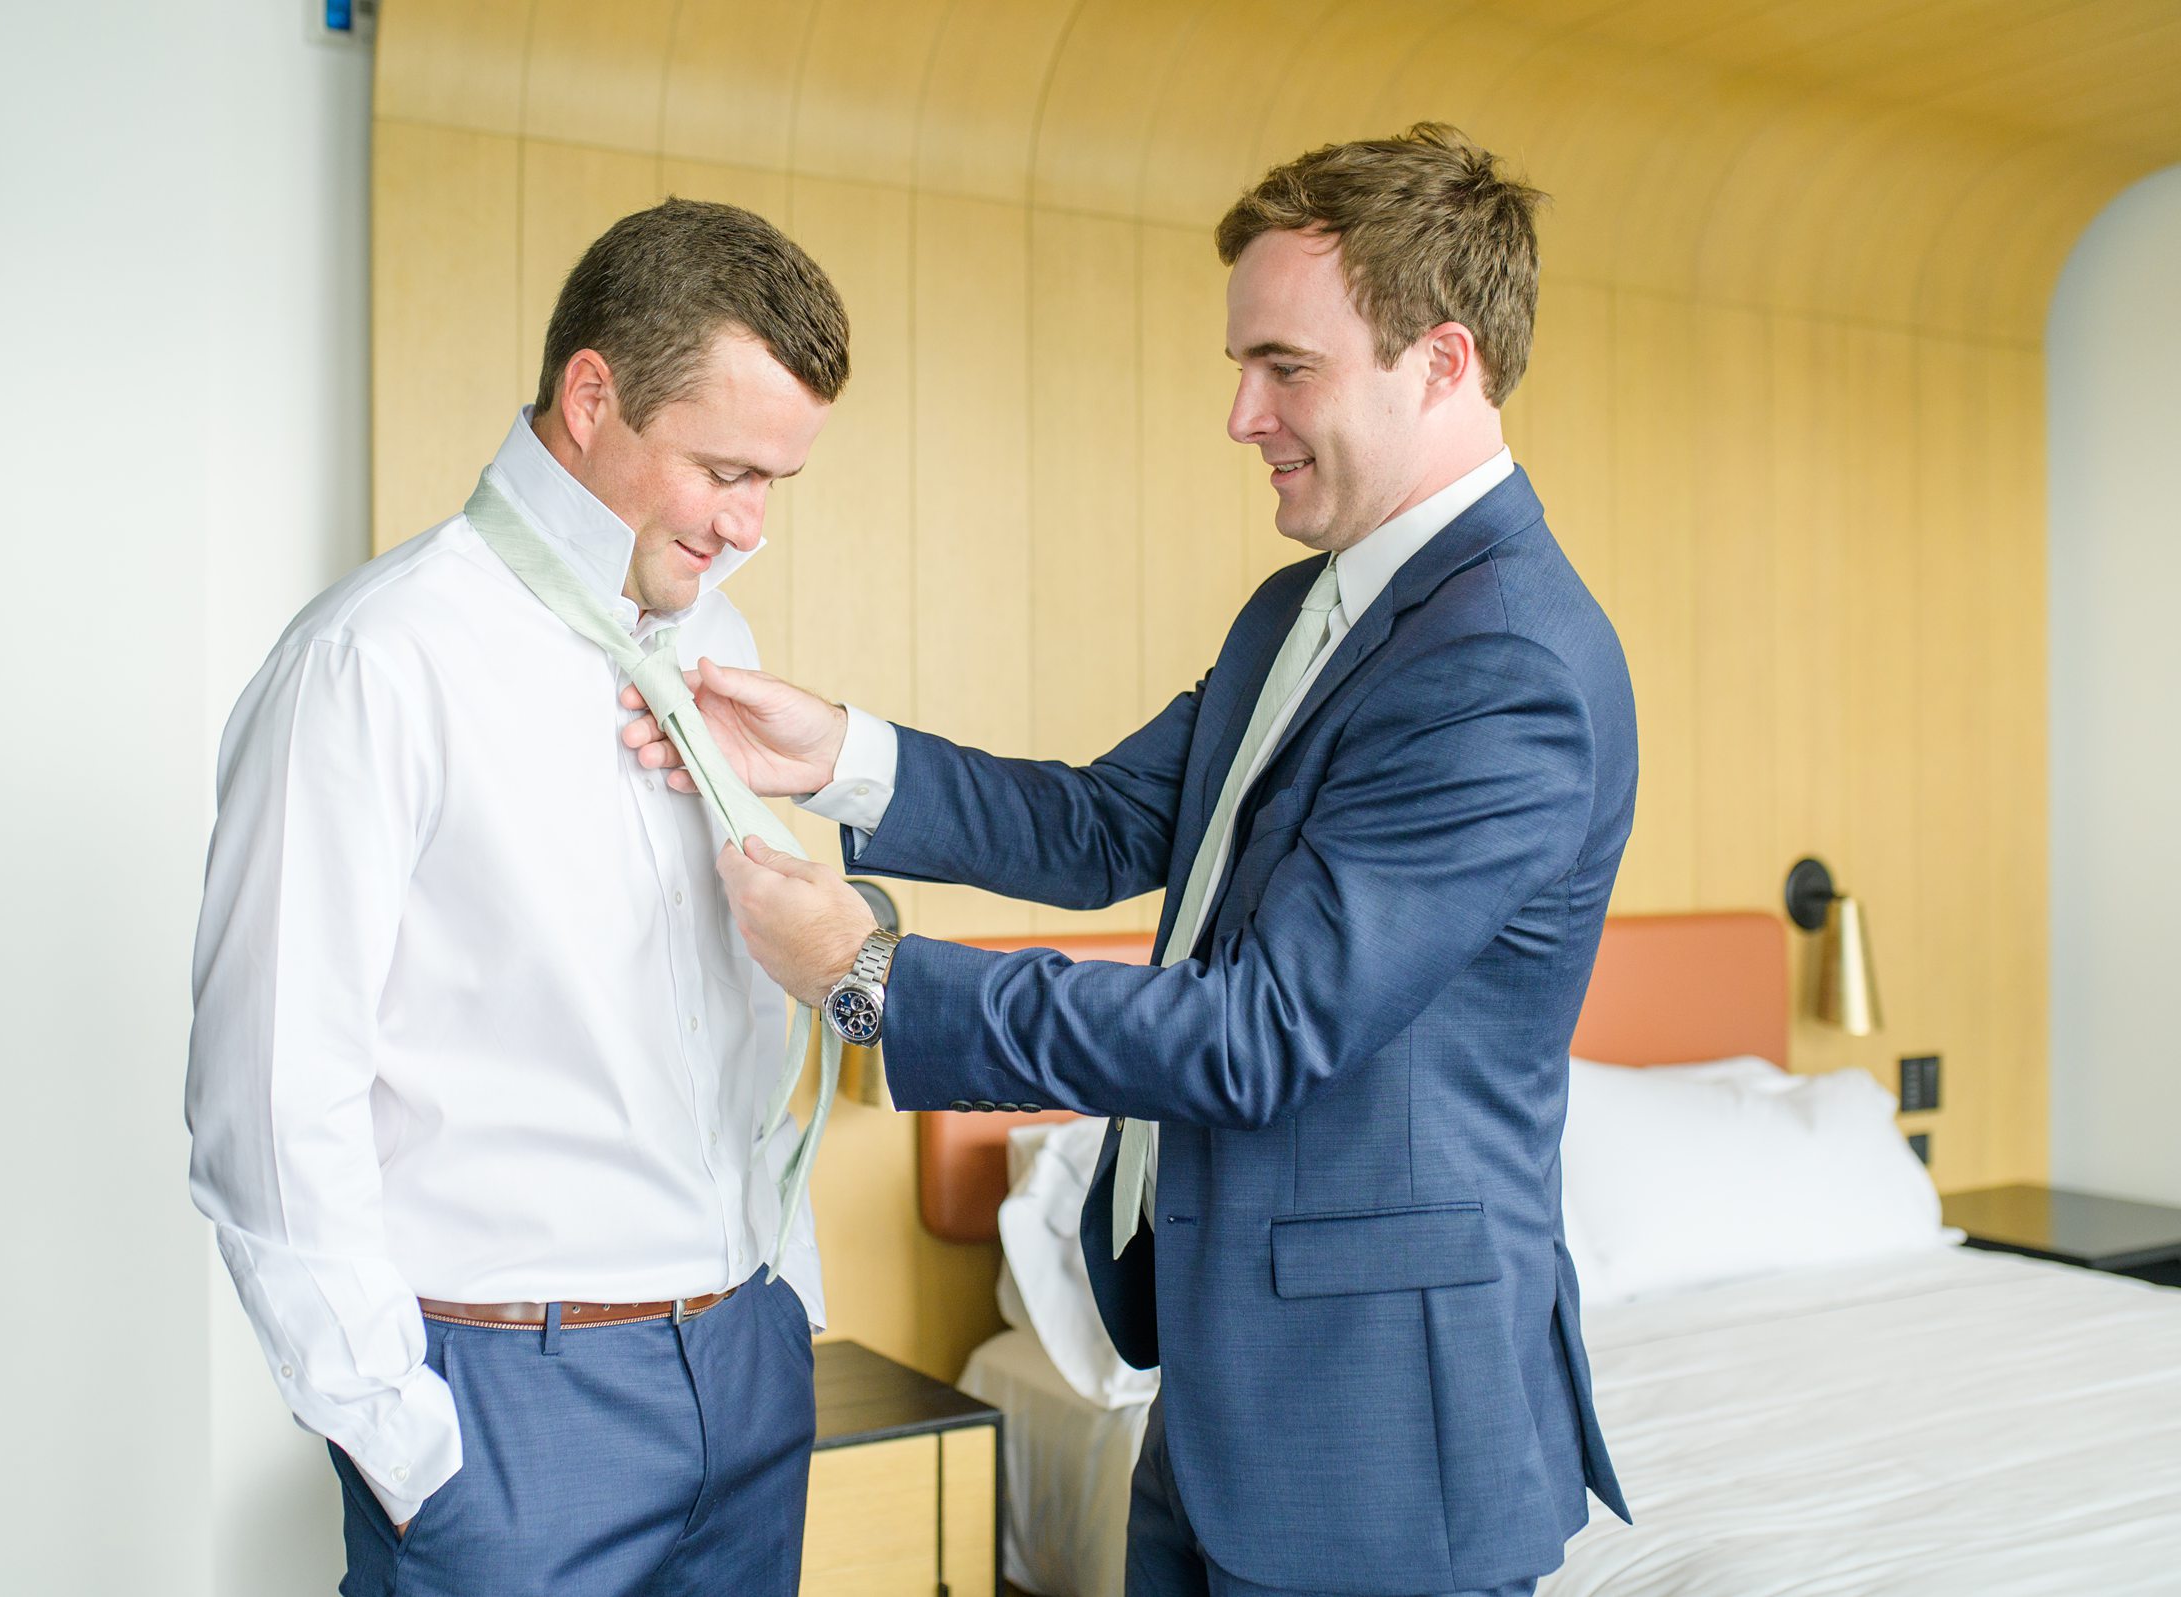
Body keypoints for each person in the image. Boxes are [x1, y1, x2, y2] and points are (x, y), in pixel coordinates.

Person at [631, 126, 1637, 1596]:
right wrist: (838, 750)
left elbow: (1259, 1033)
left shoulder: (1509, 667)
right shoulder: (1309, 608)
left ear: (1443, 361)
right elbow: (1110, 822)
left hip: (1381, 1444)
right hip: (1229, 1390)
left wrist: (868, 977)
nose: (1242, 415)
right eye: (1242, 365)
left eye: (1286, 367)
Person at [185, 197, 849, 1597]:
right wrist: (407, 1445)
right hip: (509, 1409)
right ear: (593, 395)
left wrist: (781, 1297)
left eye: (775, 484)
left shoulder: (707, 632)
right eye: (725, 469)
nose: (749, 529)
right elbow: (267, 1101)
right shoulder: (375, 663)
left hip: (742, 1366)